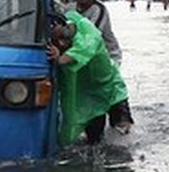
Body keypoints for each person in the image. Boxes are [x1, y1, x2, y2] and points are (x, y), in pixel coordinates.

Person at [47, 11, 132, 145]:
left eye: (63, 37)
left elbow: (85, 48)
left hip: (110, 88)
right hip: (87, 97)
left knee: (122, 131)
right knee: (94, 141)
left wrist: (60, 58)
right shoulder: (51, 39)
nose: (62, 43)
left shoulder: (86, 29)